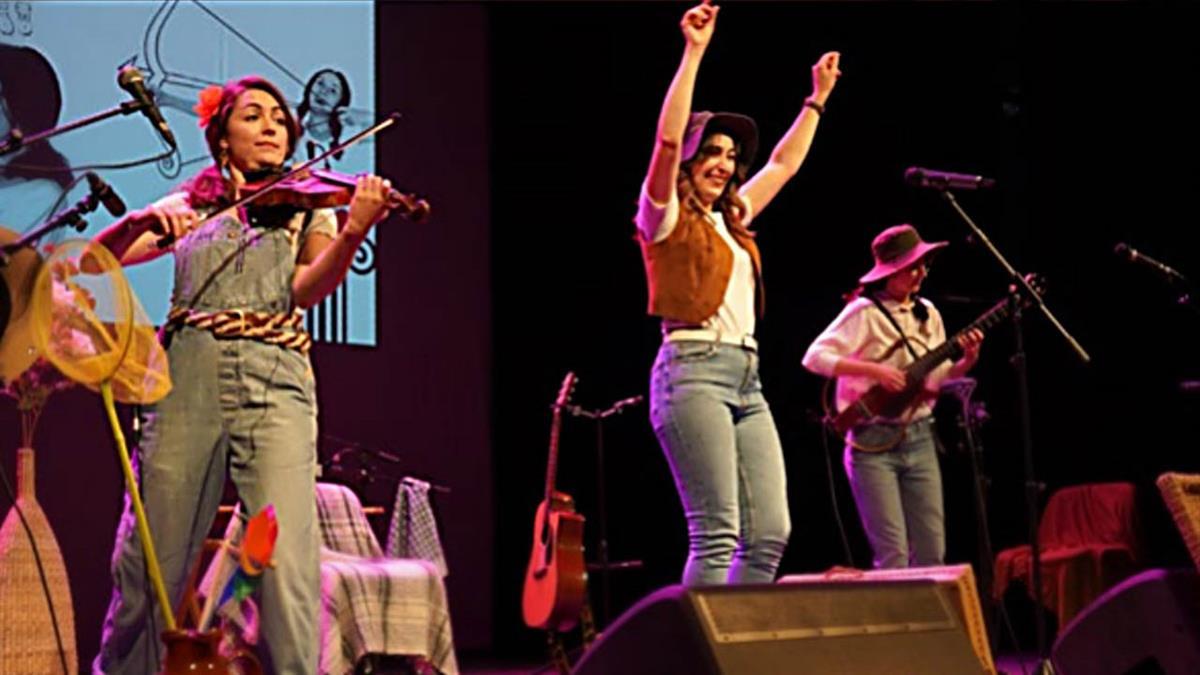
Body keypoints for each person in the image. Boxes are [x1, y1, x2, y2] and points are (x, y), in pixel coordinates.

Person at [91, 75, 393, 673]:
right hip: (187, 378)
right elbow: (104, 261)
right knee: (152, 558)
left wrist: (355, 228)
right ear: (221, 139)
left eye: (280, 119)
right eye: (254, 116)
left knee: (285, 566)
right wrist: (142, 221)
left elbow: (306, 288)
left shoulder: (309, 209)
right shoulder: (193, 201)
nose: (272, 126)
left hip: (274, 377)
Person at [637, 0, 841, 585]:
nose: (724, 164)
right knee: (717, 532)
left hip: (746, 376)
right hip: (692, 370)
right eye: (714, 152)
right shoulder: (664, 217)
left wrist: (817, 100)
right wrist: (694, 51)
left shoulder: (734, 217)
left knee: (770, 533)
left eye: (731, 155)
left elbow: (782, 165)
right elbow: (666, 143)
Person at [802, 224, 983, 569]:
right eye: (911, 267)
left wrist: (966, 362)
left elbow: (934, 382)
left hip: (918, 436)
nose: (920, 273)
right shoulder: (864, 312)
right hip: (872, 443)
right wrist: (875, 372)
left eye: (923, 265)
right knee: (893, 555)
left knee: (933, 552)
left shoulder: (928, 312)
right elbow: (814, 357)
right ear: (890, 272)